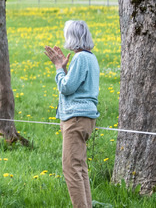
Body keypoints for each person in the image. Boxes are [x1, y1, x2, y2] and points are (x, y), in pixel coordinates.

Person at [45, 20, 100, 208]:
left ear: (72, 37)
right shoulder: (90, 57)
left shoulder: (80, 58)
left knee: (71, 169)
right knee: (80, 168)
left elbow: (67, 88)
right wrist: (65, 69)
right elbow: (77, 86)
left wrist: (58, 68)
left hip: (76, 118)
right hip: (85, 117)